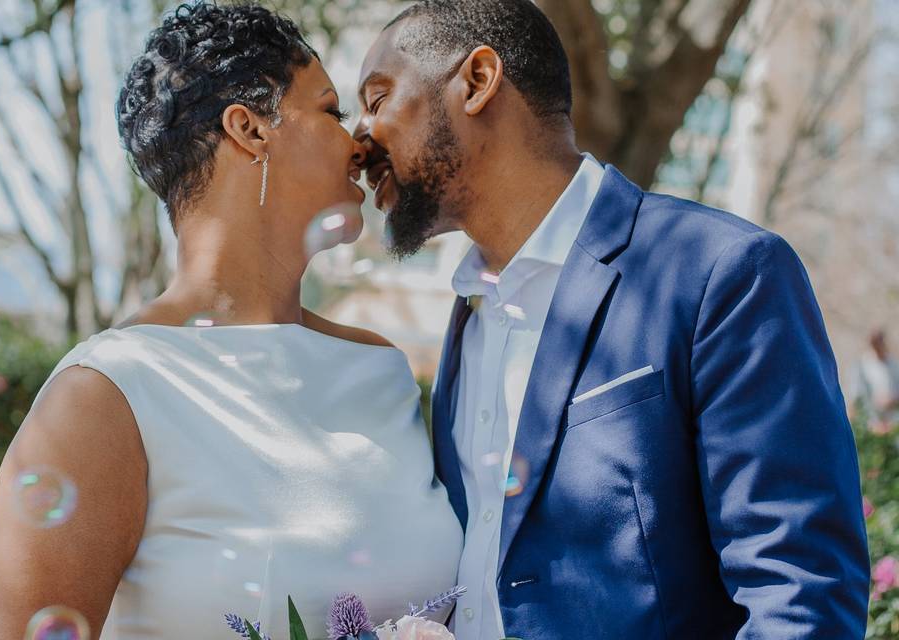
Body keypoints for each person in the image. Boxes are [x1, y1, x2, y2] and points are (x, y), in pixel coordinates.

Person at [354, 1, 870, 638]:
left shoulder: (721, 273)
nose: (359, 137)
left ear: (478, 81)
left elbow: (800, 593)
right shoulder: (468, 313)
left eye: (377, 98)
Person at [0, 3, 462, 638]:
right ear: (250, 129)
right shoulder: (109, 392)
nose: (360, 143)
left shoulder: (382, 370)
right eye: (331, 112)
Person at [850, 328, 899, 431]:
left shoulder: (894, 365)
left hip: (893, 422)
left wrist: (892, 400)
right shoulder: (862, 366)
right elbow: (856, 396)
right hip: (871, 422)